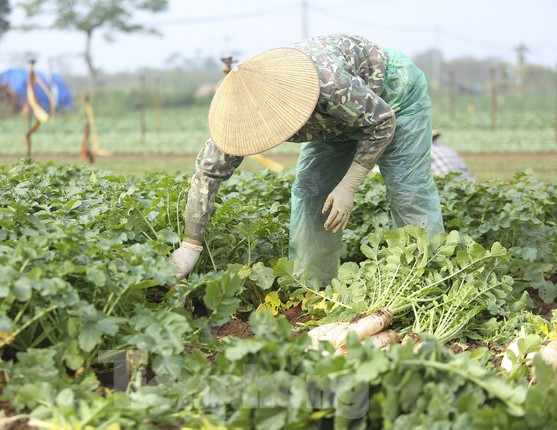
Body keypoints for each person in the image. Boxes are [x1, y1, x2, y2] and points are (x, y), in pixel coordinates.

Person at [170, 33, 445, 284]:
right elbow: (207, 175)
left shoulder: (330, 82)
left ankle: (428, 283)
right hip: (330, 123)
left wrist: (349, 185)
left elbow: (382, 122)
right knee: (311, 193)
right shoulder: (238, 116)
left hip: (392, 94)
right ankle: (314, 289)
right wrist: (191, 244)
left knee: (407, 192)